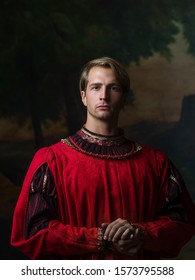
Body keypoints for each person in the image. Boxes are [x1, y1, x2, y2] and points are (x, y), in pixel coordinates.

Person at [11, 57, 195, 260]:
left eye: (113, 88)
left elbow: (182, 221)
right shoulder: (51, 160)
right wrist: (101, 238)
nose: (104, 96)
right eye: (96, 87)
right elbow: (34, 230)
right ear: (83, 96)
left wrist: (140, 234)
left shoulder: (156, 162)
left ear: (124, 96)